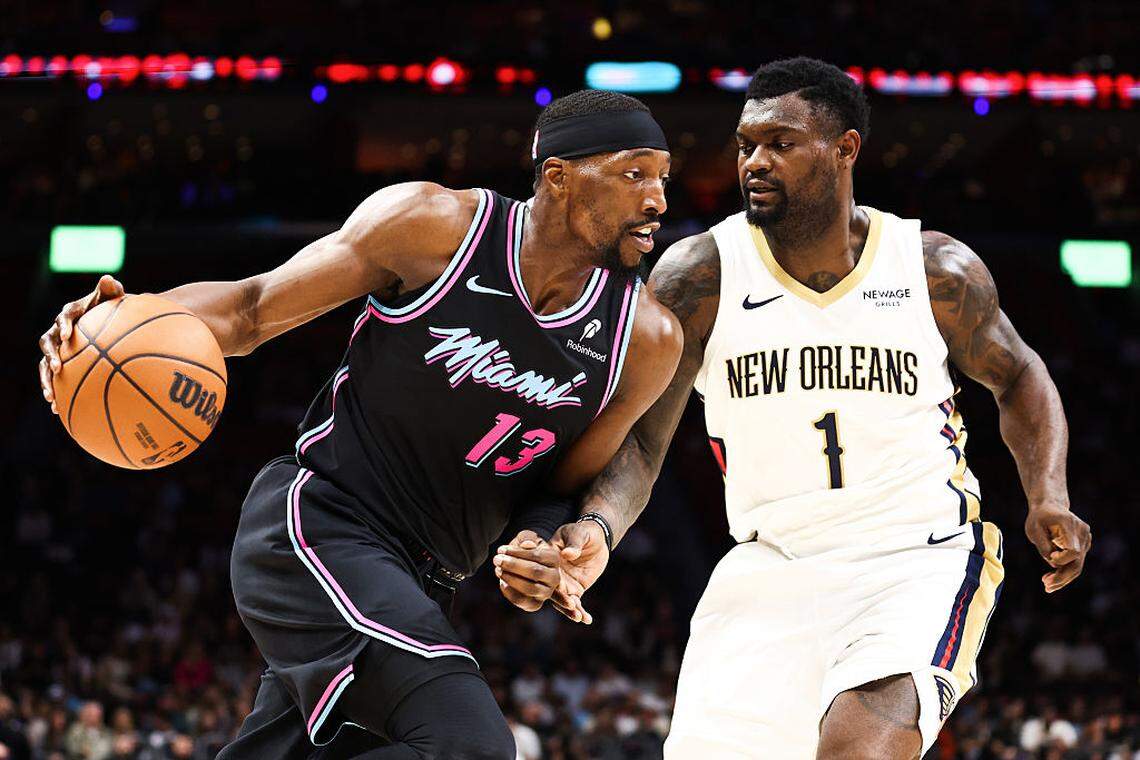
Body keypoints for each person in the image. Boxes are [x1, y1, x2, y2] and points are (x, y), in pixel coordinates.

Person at [37, 89, 681, 759]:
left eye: (665, 177)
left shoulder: (643, 340)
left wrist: (547, 548)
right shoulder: (435, 230)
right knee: (472, 748)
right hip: (322, 526)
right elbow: (252, 308)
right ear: (559, 176)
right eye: (636, 173)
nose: (658, 200)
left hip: (425, 584)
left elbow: (562, 491)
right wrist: (127, 321)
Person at [537, 58, 1092, 759]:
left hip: (914, 555)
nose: (754, 162)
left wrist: (1047, 495)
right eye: (745, 145)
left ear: (845, 149)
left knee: (858, 746)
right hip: (768, 566)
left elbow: (1020, 377)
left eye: (780, 143)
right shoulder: (698, 276)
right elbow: (644, 442)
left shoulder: (932, 270)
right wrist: (598, 528)